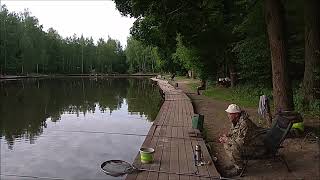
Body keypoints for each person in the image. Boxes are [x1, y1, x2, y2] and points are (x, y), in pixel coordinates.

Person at [219, 104, 266, 176]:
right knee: (226, 144)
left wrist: (227, 139)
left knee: (234, 148)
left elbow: (239, 143)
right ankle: (236, 162)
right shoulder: (236, 120)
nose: (228, 115)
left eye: (230, 114)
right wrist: (227, 136)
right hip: (248, 144)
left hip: (256, 148)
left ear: (236, 114)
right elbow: (234, 132)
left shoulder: (245, 124)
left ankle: (239, 169)